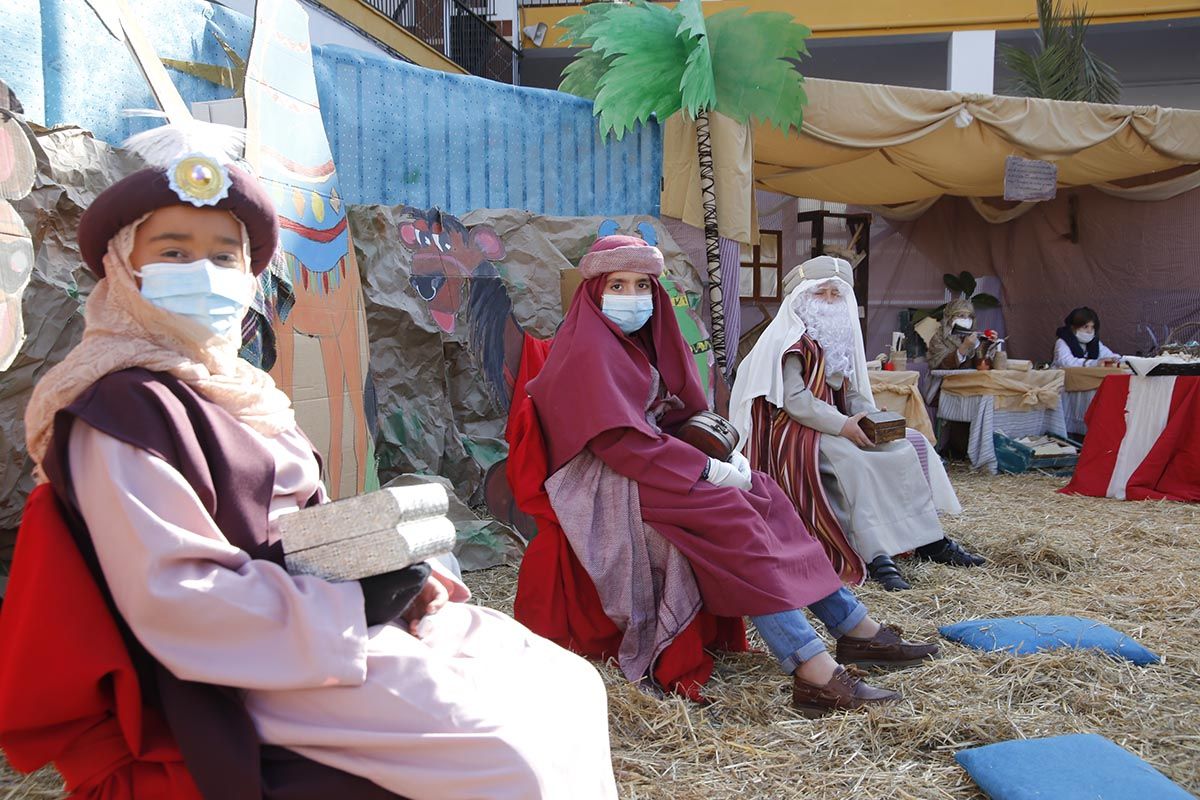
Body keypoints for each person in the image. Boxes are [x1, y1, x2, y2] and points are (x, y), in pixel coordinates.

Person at [8, 122, 617, 800]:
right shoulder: (121, 409)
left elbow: (302, 529)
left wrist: (393, 572)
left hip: (315, 621)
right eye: (173, 252)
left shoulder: (241, 393)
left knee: (565, 685)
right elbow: (177, 600)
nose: (202, 274)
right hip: (245, 666)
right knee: (505, 758)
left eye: (222, 256)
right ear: (125, 268)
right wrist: (347, 604)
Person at [527, 235, 939, 717]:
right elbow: (619, 444)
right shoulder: (587, 350)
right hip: (607, 478)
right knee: (727, 514)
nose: (632, 296)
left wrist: (729, 453)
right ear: (594, 291)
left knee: (765, 493)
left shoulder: (646, 340)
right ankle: (812, 668)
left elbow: (682, 413)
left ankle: (854, 628)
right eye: (617, 284)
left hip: (657, 460)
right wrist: (705, 468)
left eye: (642, 285)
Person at [730, 256, 983, 591]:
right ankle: (875, 554)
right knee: (852, 461)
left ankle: (927, 539)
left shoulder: (836, 341)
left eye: (837, 295)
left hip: (832, 424)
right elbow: (796, 402)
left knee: (903, 449)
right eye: (822, 295)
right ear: (802, 298)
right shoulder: (790, 343)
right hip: (791, 431)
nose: (831, 303)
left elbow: (849, 392)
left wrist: (870, 419)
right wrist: (845, 426)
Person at [1053, 307, 1122, 367]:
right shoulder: (1062, 342)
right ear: (1073, 327)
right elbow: (1066, 363)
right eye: (1085, 327)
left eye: (1092, 327)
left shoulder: (1094, 342)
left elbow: (1108, 355)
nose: (1089, 331)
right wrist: (1093, 363)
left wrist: (1116, 359)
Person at [926, 297, 982, 369]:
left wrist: (988, 343)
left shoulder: (974, 337)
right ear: (949, 317)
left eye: (969, 317)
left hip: (970, 379)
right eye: (961, 316)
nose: (966, 320)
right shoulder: (939, 338)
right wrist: (964, 347)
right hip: (946, 379)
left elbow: (982, 364)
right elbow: (939, 365)